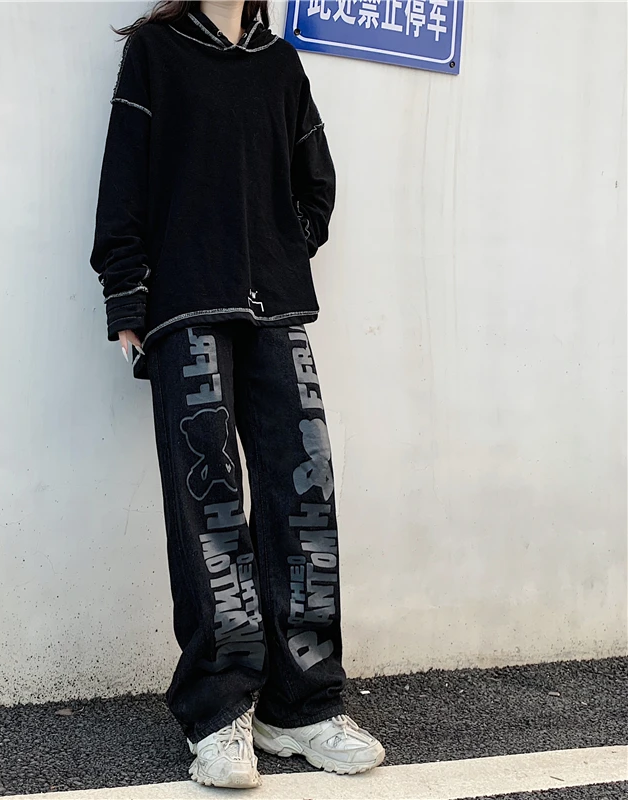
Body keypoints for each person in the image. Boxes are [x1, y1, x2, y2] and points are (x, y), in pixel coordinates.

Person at [90, 0, 385, 789]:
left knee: (305, 490)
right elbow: (125, 176)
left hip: (277, 310)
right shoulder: (156, 53)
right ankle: (219, 714)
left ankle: (304, 705)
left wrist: (281, 245)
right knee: (211, 504)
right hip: (186, 307)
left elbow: (315, 184)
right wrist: (127, 295)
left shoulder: (279, 64)